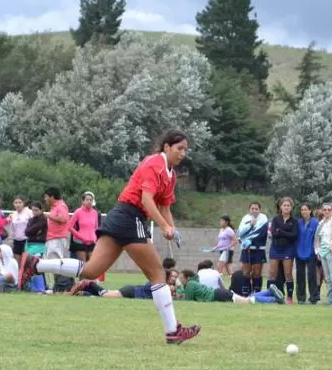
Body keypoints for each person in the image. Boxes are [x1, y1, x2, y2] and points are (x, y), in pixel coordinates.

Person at [21, 130, 201, 345]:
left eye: (185, 150)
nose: (183, 153)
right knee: (157, 274)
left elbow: (164, 205)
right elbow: (146, 200)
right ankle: (173, 331)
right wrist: (163, 225)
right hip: (129, 216)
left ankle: (37, 264)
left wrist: (170, 228)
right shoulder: (155, 163)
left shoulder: (170, 174)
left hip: (121, 217)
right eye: (179, 148)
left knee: (91, 270)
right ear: (166, 147)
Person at [177, 269, 285, 305]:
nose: (180, 280)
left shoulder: (190, 285)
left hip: (219, 295)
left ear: (187, 278)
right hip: (219, 293)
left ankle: (274, 299)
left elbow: (189, 300)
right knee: (247, 298)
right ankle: (269, 291)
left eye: (181, 278)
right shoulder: (193, 283)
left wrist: (177, 294)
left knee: (248, 301)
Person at [268, 197, 298, 304]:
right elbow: (274, 234)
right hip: (275, 248)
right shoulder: (275, 219)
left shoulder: (294, 221)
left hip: (288, 249)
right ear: (281, 207)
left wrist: (281, 231)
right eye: (284, 205)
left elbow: (294, 235)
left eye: (288, 205)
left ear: (291, 207)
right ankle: (270, 296)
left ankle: (289, 298)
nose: (286, 207)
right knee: (272, 273)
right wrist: (285, 233)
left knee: (288, 273)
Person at [237, 202, 269, 295]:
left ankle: (256, 293)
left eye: (256, 208)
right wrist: (250, 225)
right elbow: (240, 233)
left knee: (257, 273)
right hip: (246, 249)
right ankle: (245, 292)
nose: (254, 210)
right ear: (249, 209)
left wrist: (248, 238)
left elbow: (262, 234)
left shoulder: (263, 219)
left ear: (260, 209)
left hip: (259, 249)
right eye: (252, 208)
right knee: (246, 272)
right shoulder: (245, 218)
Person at [294, 203, 319, 305]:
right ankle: (301, 297)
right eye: (302, 210)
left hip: (311, 252)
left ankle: (313, 298)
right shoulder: (298, 222)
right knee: (300, 275)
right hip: (299, 251)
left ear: (310, 211)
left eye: (305, 209)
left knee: (311, 275)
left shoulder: (316, 223)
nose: (303, 211)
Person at [69, 191, 100, 263]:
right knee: (83, 264)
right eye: (87, 199)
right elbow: (69, 227)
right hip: (80, 241)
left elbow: (96, 228)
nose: (89, 201)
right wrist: (80, 235)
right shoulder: (78, 212)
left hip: (92, 241)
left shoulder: (95, 213)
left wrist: (95, 238)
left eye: (91, 200)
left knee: (92, 263)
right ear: (83, 201)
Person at [210, 214, 236, 280]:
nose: (221, 222)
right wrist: (215, 247)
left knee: (220, 266)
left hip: (227, 251)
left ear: (226, 222)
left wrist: (228, 247)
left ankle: (218, 280)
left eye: (222, 221)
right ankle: (233, 280)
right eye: (220, 221)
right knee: (228, 266)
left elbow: (235, 241)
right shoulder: (221, 230)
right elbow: (221, 242)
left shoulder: (229, 230)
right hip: (222, 250)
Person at [7, 195, 32, 261]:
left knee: (26, 261)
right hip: (16, 241)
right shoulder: (13, 215)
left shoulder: (29, 212)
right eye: (16, 203)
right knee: (17, 261)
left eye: (20, 202)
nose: (18, 204)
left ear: (23, 203)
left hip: (27, 240)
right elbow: (12, 229)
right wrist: (11, 241)